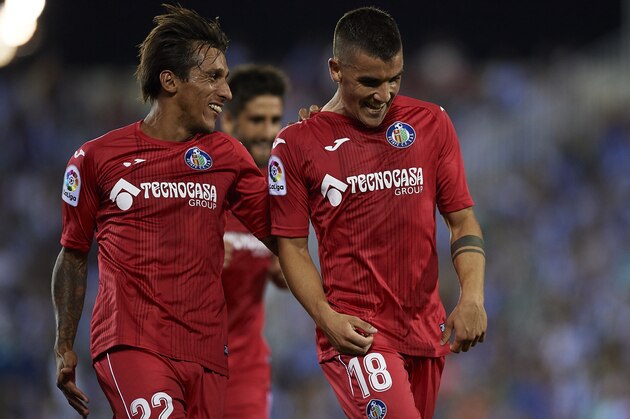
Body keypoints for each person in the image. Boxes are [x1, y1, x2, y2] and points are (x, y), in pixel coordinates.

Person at [51, 5, 276, 418]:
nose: (226, 92)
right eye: (213, 77)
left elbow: (283, 230)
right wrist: (65, 343)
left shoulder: (226, 155)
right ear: (169, 81)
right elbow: (74, 252)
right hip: (133, 343)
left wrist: (311, 148)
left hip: (208, 353)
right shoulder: (97, 158)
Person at [268, 6, 486, 419]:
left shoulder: (431, 124)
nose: (384, 94)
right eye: (370, 81)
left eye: (394, 79)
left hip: (426, 331)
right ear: (335, 69)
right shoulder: (296, 144)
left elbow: (462, 220)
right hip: (359, 335)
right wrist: (326, 317)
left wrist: (472, 296)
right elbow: (292, 248)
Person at [219, 64, 289, 419]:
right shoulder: (197, 185)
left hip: (245, 368)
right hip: (180, 362)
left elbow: (286, 273)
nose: (269, 132)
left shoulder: (278, 195)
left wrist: (287, 271)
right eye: (257, 120)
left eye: (274, 120)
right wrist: (196, 258)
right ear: (229, 121)